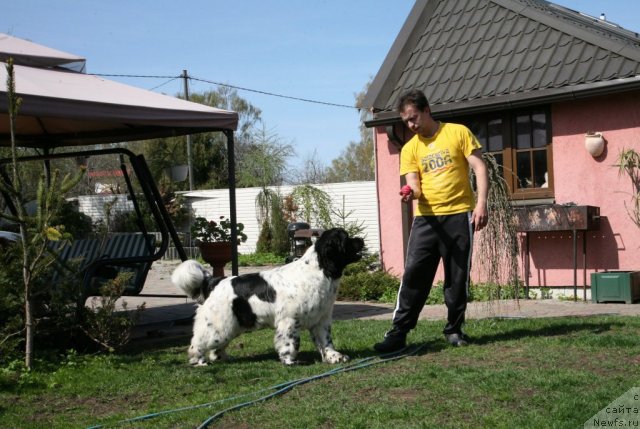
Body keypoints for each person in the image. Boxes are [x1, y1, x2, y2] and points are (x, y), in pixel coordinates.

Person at [374, 89, 489, 352]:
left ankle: (454, 329)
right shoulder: (410, 148)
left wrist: (481, 204)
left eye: (414, 118)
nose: (411, 126)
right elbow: (415, 186)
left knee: (457, 278)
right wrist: (408, 192)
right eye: (406, 122)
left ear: (427, 110)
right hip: (426, 221)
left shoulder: (458, 132)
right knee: (414, 275)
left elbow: (479, 167)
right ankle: (398, 333)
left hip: (459, 215)